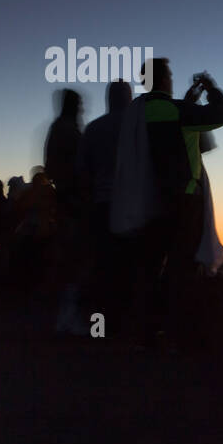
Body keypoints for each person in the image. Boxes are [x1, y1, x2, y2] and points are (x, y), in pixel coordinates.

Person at [117, 58, 223, 347]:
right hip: (184, 199)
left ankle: (143, 331)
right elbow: (222, 114)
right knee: (182, 266)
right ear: (163, 79)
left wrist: (186, 102)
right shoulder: (176, 110)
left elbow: (169, 132)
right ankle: (177, 334)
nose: (170, 77)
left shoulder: (137, 112)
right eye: (168, 74)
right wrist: (211, 88)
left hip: (148, 199)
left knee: (149, 264)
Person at [76, 80, 133, 332]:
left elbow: (82, 170)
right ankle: (127, 323)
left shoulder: (94, 128)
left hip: (101, 204)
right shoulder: (138, 127)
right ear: (129, 98)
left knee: (104, 265)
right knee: (131, 265)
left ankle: (101, 326)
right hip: (133, 206)